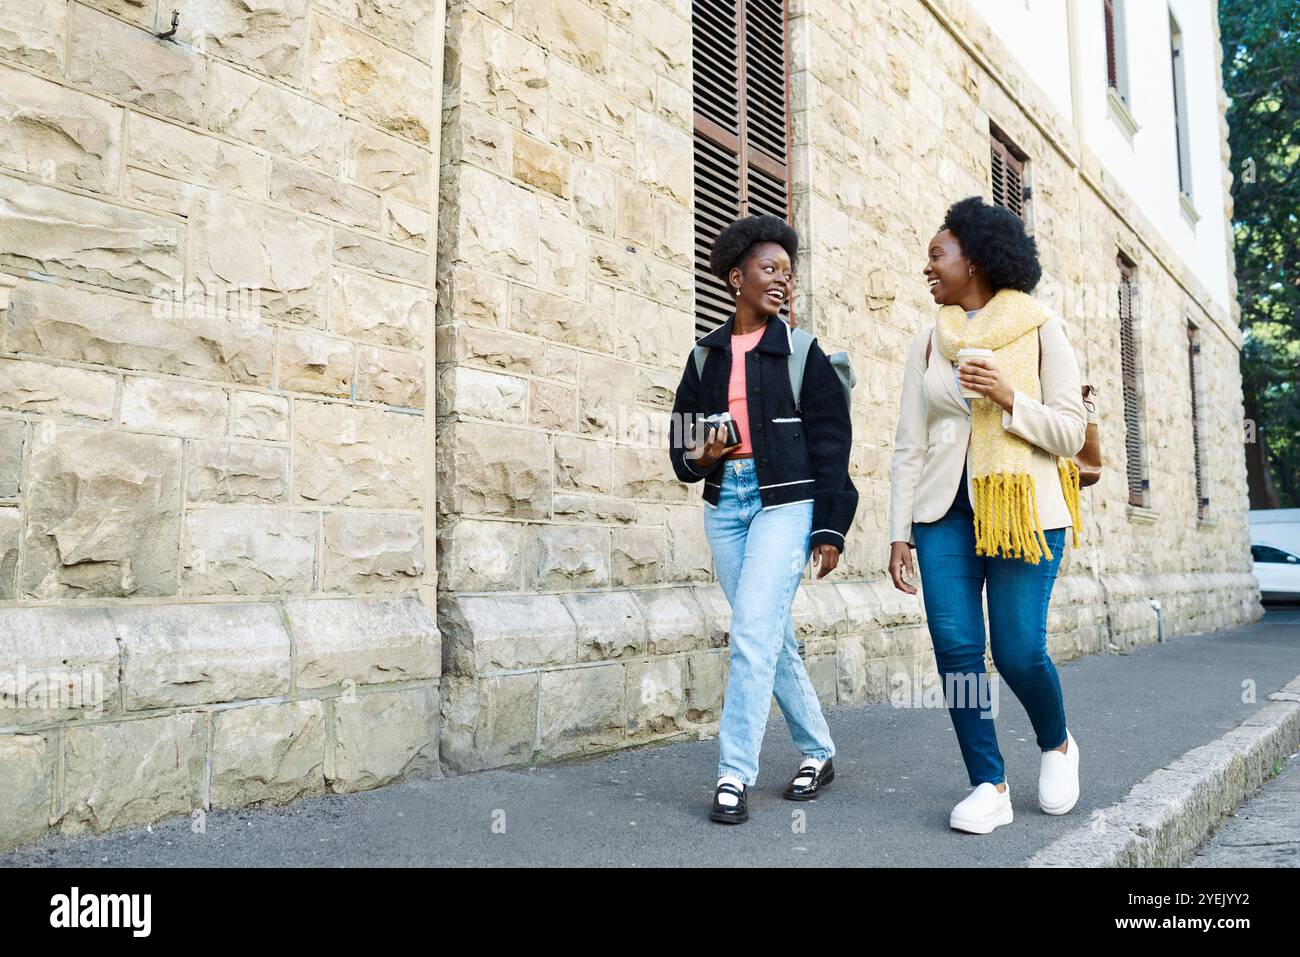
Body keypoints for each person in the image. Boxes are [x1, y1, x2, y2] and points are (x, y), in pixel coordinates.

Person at [887, 196, 1087, 834]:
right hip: (943, 514)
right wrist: (898, 532)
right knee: (956, 649)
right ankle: (988, 784)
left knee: (1019, 650)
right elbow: (907, 444)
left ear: (972, 259)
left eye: (936, 255)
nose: (928, 268)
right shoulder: (928, 342)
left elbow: (1071, 432)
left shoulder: (1040, 327)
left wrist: (1008, 397)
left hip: (1025, 510)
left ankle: (1056, 744)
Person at [668, 214, 857, 824]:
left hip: (787, 501)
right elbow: (680, 446)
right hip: (726, 504)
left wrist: (830, 525)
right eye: (768, 269)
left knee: (750, 631)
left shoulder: (803, 353)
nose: (782, 281)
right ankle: (819, 751)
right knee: (769, 636)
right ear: (735, 278)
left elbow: (832, 442)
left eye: (788, 273)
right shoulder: (705, 357)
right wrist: (704, 454)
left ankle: (732, 774)